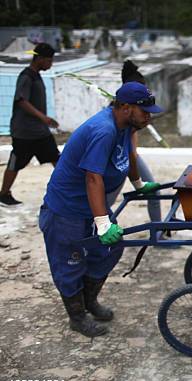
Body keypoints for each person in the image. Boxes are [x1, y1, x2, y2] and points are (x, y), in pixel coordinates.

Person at [39, 82, 163, 338]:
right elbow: (92, 178)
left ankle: (89, 300)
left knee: (111, 248)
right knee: (71, 260)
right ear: (126, 107)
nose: (149, 116)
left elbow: (128, 156)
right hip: (67, 208)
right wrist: (103, 222)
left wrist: (139, 184)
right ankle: (77, 317)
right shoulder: (103, 130)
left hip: (89, 205)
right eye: (145, 111)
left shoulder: (125, 127)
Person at [0, 43, 60, 206]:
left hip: (40, 132)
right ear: (39, 59)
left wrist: (44, 120)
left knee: (56, 158)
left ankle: (70, 187)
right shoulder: (26, 76)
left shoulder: (36, 75)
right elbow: (21, 101)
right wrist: (44, 118)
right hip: (24, 132)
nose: (50, 64)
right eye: (49, 60)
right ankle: (4, 194)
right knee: (16, 162)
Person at [105, 60, 161, 224]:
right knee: (108, 199)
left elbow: (131, 139)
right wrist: (131, 158)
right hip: (119, 157)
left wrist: (133, 157)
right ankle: (98, 225)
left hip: (129, 153)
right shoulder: (117, 115)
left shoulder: (135, 110)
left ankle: (158, 230)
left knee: (152, 190)